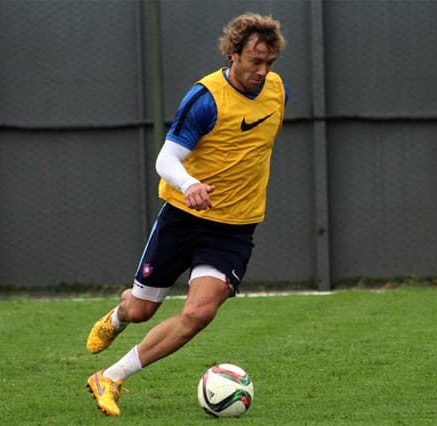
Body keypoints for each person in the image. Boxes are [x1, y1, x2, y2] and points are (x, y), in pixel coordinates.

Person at [85, 12, 287, 417]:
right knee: (142, 310)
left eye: (269, 63)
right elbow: (167, 158)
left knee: (199, 312)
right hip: (184, 218)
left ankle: (110, 377)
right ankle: (120, 314)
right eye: (255, 61)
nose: (263, 72)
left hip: (234, 227)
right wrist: (189, 184)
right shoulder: (205, 99)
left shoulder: (276, 90)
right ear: (233, 53)